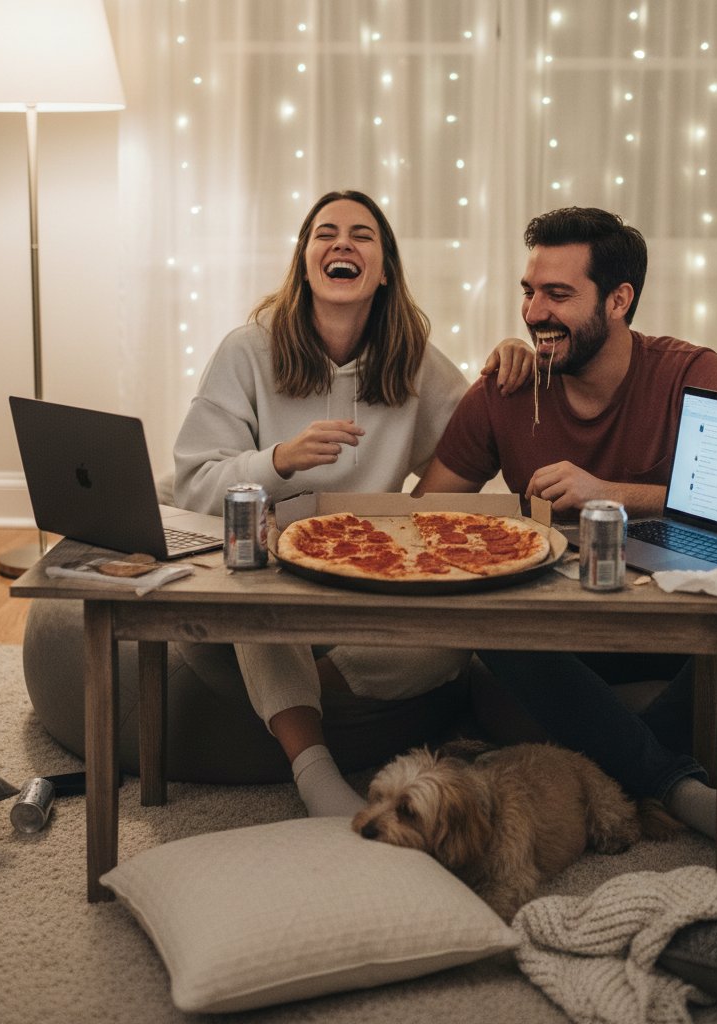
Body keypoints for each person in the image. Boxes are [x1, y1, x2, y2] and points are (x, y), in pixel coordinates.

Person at [415, 206, 717, 851]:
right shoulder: (507, 389)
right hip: (574, 619)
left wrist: (609, 494)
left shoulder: (687, 372)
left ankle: (632, 773)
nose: (533, 313)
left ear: (618, 299)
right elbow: (429, 509)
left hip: (676, 613)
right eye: (529, 292)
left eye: (559, 295)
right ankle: (671, 783)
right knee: (491, 624)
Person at [173, 189, 533, 817]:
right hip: (278, 568)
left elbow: (477, 435)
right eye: (326, 233)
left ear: (384, 268)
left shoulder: (412, 355)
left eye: (362, 234)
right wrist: (279, 460)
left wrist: (511, 359)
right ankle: (317, 777)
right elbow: (195, 485)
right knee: (258, 607)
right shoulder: (247, 350)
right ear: (305, 261)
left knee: (457, 640)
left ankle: (296, 699)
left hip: (372, 572)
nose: (343, 243)